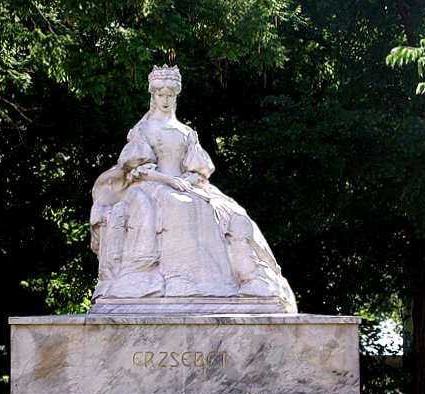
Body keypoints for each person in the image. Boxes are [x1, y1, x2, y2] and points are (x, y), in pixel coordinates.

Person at [90, 65, 296, 313]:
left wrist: (186, 181)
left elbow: (197, 169)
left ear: (175, 96)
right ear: (152, 96)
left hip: (186, 185)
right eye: (160, 94)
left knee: (226, 210)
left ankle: (228, 282)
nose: (165, 99)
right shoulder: (143, 130)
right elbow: (138, 170)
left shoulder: (186, 132)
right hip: (151, 186)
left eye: (170, 94)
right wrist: (169, 181)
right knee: (182, 206)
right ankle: (181, 283)